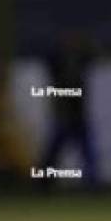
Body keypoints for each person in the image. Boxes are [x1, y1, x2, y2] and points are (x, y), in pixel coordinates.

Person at [40, 31, 99, 184]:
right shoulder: (59, 65)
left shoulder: (79, 62)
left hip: (77, 115)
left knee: (86, 153)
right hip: (65, 115)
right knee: (55, 151)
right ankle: (45, 181)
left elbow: (93, 55)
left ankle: (93, 181)